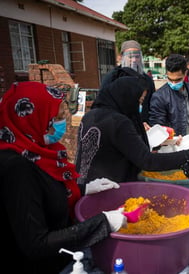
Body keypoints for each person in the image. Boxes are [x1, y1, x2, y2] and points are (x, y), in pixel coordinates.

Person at [0, 81, 126, 273]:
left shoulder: (39, 151)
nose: (62, 124)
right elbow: (36, 243)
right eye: (56, 118)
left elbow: (46, 193)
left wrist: (83, 189)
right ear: (32, 119)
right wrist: (103, 222)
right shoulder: (16, 168)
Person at [76, 76, 189, 185]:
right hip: (109, 188)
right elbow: (146, 161)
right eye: (139, 101)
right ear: (126, 98)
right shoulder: (118, 122)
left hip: (85, 184)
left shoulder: (90, 115)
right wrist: (187, 156)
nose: (138, 106)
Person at [101, 40, 155, 128]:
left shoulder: (147, 80)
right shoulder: (112, 77)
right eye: (130, 56)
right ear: (121, 57)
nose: (134, 60)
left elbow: (152, 106)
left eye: (137, 56)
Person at [149, 53, 189, 136]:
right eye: (170, 79)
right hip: (171, 145)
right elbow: (157, 127)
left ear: (185, 73)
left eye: (178, 80)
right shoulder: (159, 96)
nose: (173, 83)